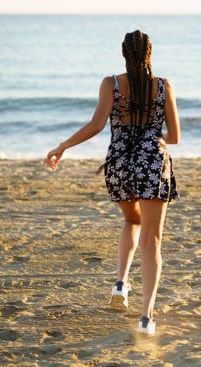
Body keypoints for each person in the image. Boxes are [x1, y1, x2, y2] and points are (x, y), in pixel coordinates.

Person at [44, 30, 179, 335]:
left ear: (123, 54)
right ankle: (145, 317)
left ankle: (121, 283)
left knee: (132, 221)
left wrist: (62, 146)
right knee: (151, 241)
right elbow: (175, 137)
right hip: (151, 163)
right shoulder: (163, 86)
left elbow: (95, 125)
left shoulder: (111, 84)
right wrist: (153, 138)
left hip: (119, 163)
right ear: (149, 54)